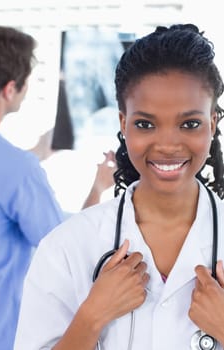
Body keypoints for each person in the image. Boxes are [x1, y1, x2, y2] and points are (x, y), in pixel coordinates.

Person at [14, 23, 224, 350]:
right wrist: (92, 317)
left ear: (212, 123)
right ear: (123, 124)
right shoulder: (67, 247)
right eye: (145, 124)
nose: (168, 144)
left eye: (190, 124)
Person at [0, 25, 116, 350]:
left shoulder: (13, 168)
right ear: (9, 89)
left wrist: (36, 152)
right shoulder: (16, 170)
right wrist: (98, 188)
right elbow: (65, 249)